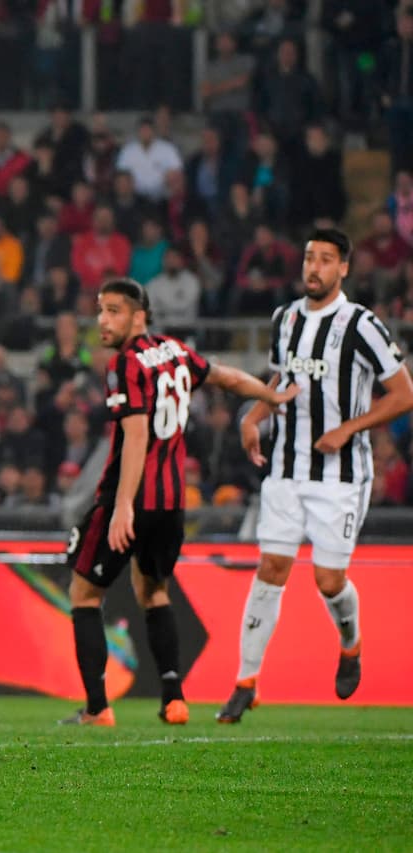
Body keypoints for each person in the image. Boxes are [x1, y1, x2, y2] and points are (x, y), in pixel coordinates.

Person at [63, 278, 300, 727]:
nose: (102, 320)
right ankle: (174, 699)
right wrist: (269, 395)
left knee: (85, 593)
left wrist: (123, 506)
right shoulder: (174, 350)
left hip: (129, 498)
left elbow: (135, 436)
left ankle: (97, 708)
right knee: (153, 591)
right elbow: (227, 377)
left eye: (113, 311)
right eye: (100, 310)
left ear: (139, 316)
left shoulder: (125, 364)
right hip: (171, 502)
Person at [219, 228, 413, 722]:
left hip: (340, 476)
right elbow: (282, 379)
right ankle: (245, 681)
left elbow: (403, 394)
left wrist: (348, 428)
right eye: (310, 257)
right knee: (271, 568)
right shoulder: (284, 318)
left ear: (343, 268)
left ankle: (351, 643)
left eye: (326, 259)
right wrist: (253, 416)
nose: (314, 267)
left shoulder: (362, 324)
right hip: (286, 468)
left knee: (328, 581)